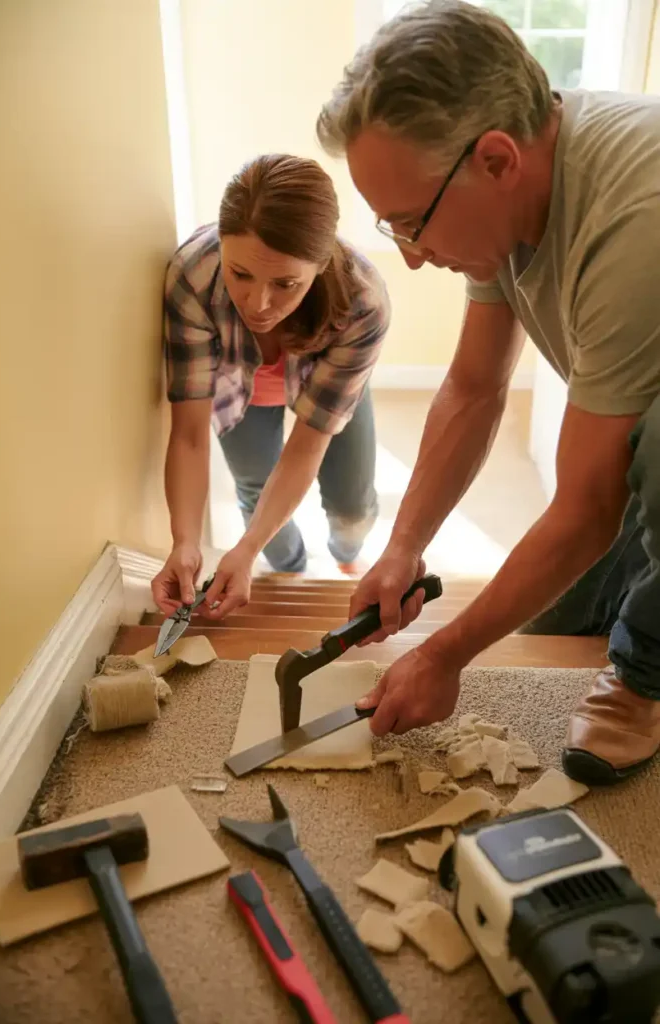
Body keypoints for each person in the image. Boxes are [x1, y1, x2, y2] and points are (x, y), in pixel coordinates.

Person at [315, 0, 660, 787]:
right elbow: (472, 389)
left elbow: (586, 508)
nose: (406, 257)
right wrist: (403, 547)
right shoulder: (506, 197)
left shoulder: (635, 220)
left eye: (411, 224)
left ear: (497, 160)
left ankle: (645, 682)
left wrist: (443, 653)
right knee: (555, 622)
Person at [151, 153, 389, 622]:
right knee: (255, 490)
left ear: (321, 265)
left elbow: (307, 446)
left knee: (351, 505)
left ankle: (345, 553)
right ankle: (293, 573)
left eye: (285, 283)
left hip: (325, 388)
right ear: (221, 245)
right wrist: (189, 543)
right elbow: (189, 435)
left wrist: (249, 543)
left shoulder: (365, 303)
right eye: (240, 275)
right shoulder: (192, 276)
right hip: (238, 390)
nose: (258, 304)